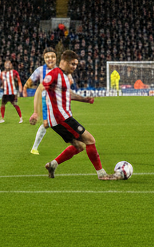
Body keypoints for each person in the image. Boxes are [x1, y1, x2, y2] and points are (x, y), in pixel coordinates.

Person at [42, 49, 115, 180]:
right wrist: (38, 114)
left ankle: (52, 165)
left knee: (78, 146)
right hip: (62, 118)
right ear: (63, 61)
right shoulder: (56, 74)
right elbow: (41, 90)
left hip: (58, 120)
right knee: (90, 140)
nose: (74, 67)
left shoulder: (64, 77)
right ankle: (102, 174)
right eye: (72, 64)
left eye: (76, 64)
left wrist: (84, 99)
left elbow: (68, 94)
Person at [26, 48, 58, 154]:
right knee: (47, 124)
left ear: (56, 58)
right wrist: (27, 85)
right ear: (44, 58)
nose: (50, 59)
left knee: (64, 121)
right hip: (46, 101)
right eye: (47, 57)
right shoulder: (40, 70)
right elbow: (30, 81)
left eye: (52, 56)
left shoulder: (61, 70)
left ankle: (77, 142)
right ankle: (34, 148)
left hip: (59, 101)